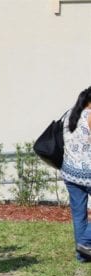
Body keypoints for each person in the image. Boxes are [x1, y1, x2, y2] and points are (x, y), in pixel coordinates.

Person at [60, 86, 91, 262]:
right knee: (80, 214)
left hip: (70, 173)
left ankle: (82, 256)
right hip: (88, 173)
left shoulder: (69, 114)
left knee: (79, 214)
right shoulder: (89, 115)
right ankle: (86, 242)